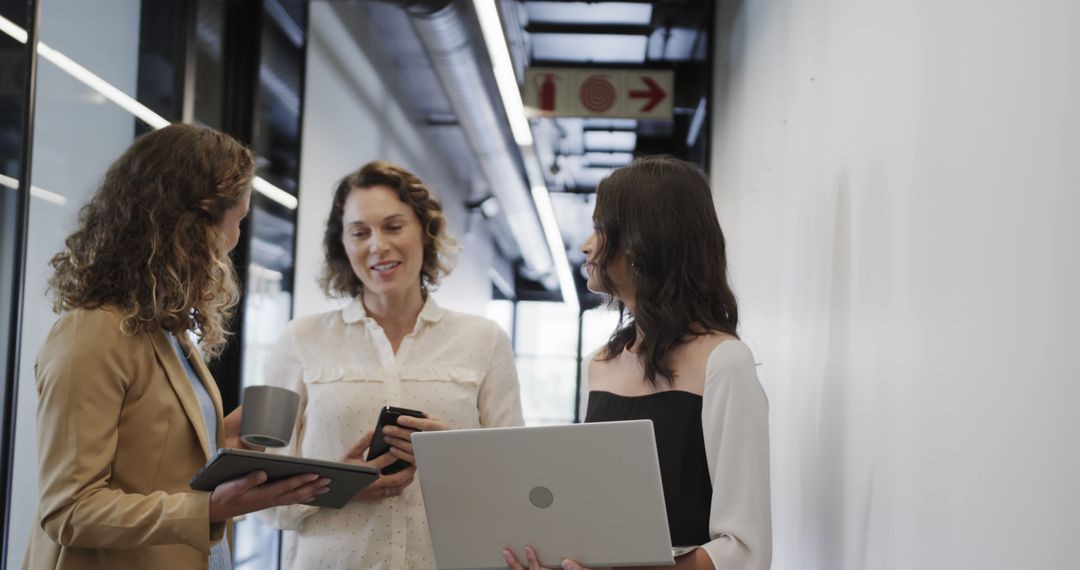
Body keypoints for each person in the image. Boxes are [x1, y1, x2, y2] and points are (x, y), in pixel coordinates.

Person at [23, 124, 331, 570]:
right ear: (195, 227)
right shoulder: (92, 333)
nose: (235, 240)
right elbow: (70, 510)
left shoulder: (164, 331)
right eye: (237, 222)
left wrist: (220, 439)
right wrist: (210, 508)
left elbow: (150, 456)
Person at [504, 156, 771, 570]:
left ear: (647, 241)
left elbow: (745, 550)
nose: (586, 245)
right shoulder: (600, 364)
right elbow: (590, 511)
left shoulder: (725, 362)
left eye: (600, 228)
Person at [259, 160, 524, 569]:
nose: (377, 245)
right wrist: (338, 485)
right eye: (359, 232)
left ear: (424, 231)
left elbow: (518, 483)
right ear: (342, 245)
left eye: (393, 226)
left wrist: (455, 455)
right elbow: (261, 493)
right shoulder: (299, 340)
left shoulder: (484, 341)